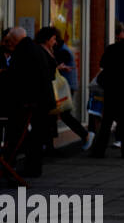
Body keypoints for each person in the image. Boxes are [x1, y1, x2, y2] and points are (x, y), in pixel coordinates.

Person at [1, 27, 56, 180]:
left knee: (26, 136)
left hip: (31, 103)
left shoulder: (23, 51)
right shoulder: (34, 48)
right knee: (35, 136)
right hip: (40, 101)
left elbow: (18, 78)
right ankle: (33, 167)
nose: (7, 43)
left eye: (9, 40)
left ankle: (27, 168)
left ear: (15, 39)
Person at [88, 23, 124, 159]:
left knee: (106, 121)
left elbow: (102, 64)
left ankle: (99, 151)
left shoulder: (111, 48)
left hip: (112, 88)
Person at [37, 27, 89, 151]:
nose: (54, 42)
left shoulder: (60, 51)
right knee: (52, 115)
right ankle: (49, 145)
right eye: (53, 39)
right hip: (59, 87)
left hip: (61, 88)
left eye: (55, 39)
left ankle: (84, 134)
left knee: (62, 114)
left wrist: (58, 68)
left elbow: (52, 66)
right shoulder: (53, 50)